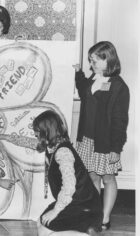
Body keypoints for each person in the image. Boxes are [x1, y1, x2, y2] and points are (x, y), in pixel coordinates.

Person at [0, 110, 103, 236]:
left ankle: (87, 234)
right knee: (40, 223)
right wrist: (3, 137)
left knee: (46, 231)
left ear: (47, 131)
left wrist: (56, 210)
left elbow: (69, 187)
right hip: (75, 202)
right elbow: (28, 142)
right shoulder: (52, 144)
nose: (35, 134)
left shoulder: (63, 152)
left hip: (84, 207)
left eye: (37, 131)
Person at [74, 41, 129, 230]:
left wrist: (116, 148)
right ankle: (95, 214)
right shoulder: (93, 77)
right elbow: (83, 92)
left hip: (105, 143)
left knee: (108, 178)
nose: (92, 64)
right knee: (92, 178)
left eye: (95, 60)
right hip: (87, 140)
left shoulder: (119, 86)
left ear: (108, 59)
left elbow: (120, 121)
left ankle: (105, 218)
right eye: (91, 60)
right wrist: (79, 73)